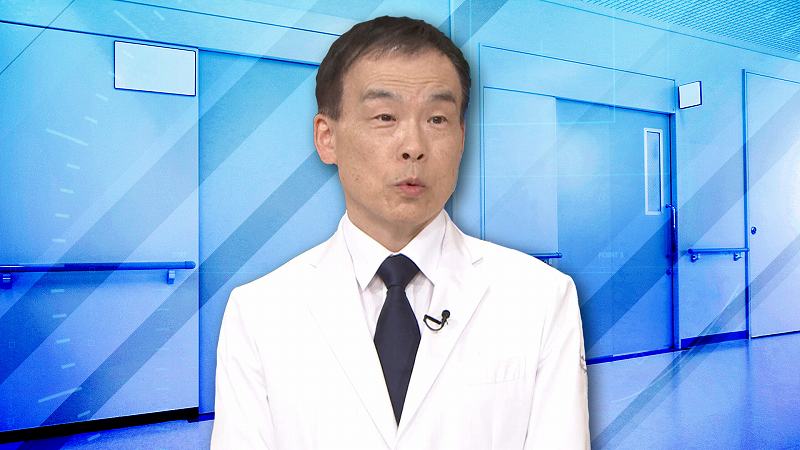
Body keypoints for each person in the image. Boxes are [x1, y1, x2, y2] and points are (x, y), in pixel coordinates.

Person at [210, 16, 588, 449]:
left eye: (437, 119)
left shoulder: (540, 298)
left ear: (462, 137)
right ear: (327, 137)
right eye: (385, 116)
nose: (414, 146)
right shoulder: (260, 312)